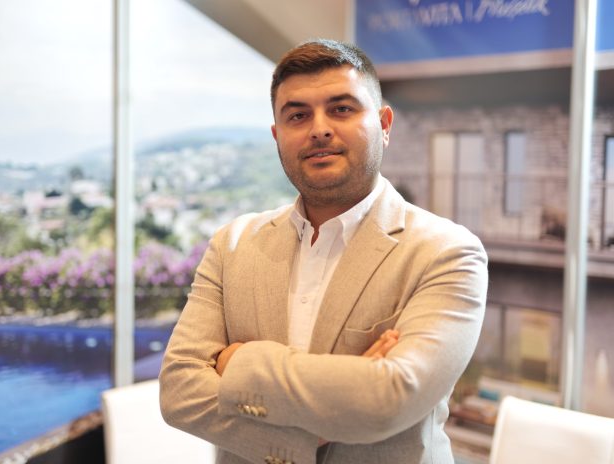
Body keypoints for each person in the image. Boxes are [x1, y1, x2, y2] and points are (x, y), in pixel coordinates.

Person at [159, 39, 488, 464]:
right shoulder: (232, 244)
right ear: (278, 136)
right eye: (297, 115)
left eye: (342, 109)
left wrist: (238, 361)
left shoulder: (446, 252)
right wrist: (313, 431)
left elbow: (389, 397)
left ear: (384, 124)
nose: (319, 129)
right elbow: (179, 392)